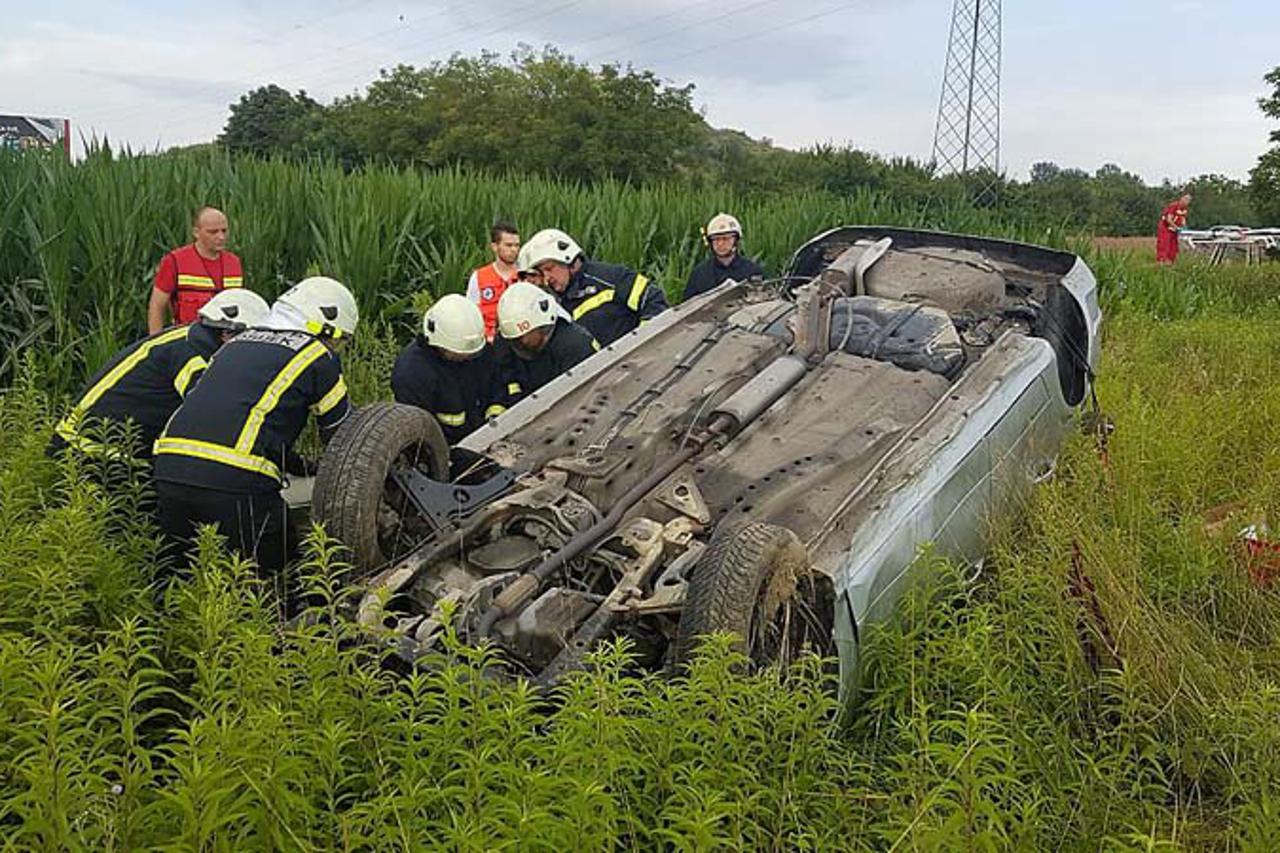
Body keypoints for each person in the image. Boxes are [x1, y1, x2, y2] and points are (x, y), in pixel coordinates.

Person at [151, 276, 358, 578]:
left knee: (179, 577)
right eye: (337, 339)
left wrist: (298, 464)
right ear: (324, 327)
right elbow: (344, 438)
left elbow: (244, 415)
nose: (335, 347)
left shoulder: (236, 344)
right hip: (235, 478)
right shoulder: (317, 357)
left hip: (169, 469)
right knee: (274, 575)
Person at [49, 289, 270, 465]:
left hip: (87, 442)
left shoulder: (185, 340)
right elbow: (207, 413)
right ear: (227, 334)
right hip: (97, 451)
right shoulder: (190, 356)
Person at [521, 228, 668, 347]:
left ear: (569, 259)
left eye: (549, 268)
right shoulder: (552, 301)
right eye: (542, 273)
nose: (547, 278)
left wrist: (641, 343)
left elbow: (653, 300)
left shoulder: (610, 278)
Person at [391, 294, 502, 445]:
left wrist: (496, 421)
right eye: (459, 354)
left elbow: (497, 387)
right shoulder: (412, 373)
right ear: (438, 343)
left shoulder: (478, 352)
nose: (467, 357)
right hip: (446, 452)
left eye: (470, 354)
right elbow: (420, 435)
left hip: (488, 439)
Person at [491, 281, 598, 409]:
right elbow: (505, 374)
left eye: (522, 337)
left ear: (540, 325)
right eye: (514, 339)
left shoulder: (576, 347)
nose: (519, 343)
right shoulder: (509, 339)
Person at [148, 206, 245, 334]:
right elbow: (156, 306)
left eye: (224, 231)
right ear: (196, 233)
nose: (221, 237)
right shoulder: (175, 261)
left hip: (226, 343)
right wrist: (156, 345)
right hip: (188, 341)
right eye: (213, 232)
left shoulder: (234, 263)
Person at [683, 213, 764, 300]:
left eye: (725, 238)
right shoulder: (699, 274)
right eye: (716, 239)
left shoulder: (752, 271)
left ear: (736, 240)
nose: (720, 244)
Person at [465, 221, 521, 341]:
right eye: (509, 245)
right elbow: (471, 315)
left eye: (517, 245)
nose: (514, 250)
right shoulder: (479, 277)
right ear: (495, 247)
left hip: (518, 340)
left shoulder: (525, 275)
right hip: (488, 342)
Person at [1156, 192, 1191, 264]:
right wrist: (1177, 227)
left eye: (1188, 200)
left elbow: (1183, 220)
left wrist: (1185, 228)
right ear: (1181, 198)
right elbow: (1169, 219)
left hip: (1174, 230)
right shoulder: (1174, 206)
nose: (1187, 202)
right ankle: (1162, 261)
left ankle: (1170, 261)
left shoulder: (1184, 209)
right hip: (1165, 228)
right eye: (1186, 199)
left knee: (1173, 246)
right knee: (1164, 244)